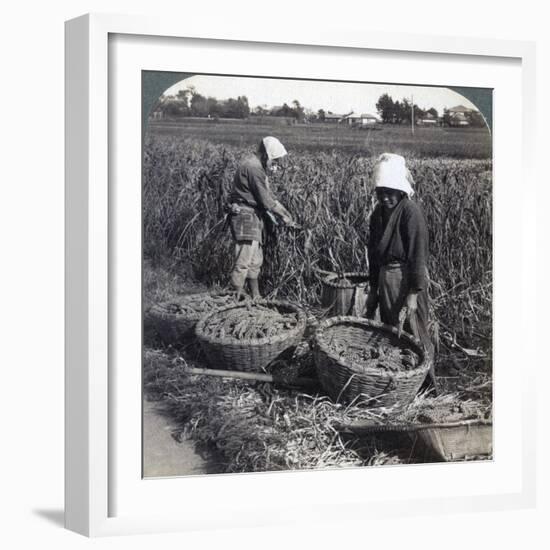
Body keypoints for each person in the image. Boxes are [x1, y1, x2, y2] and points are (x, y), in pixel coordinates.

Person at [365, 153, 438, 391]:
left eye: (390, 192)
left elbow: (418, 254)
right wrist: (374, 287)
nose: (385, 197)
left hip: (406, 278)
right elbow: (373, 254)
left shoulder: (409, 212)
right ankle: (401, 382)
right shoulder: (377, 214)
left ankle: (427, 384)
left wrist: (413, 293)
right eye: (380, 192)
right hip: (386, 277)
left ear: (400, 190)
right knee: (391, 330)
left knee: (414, 329)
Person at [226, 136, 296, 299]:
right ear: (266, 155)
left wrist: (286, 213)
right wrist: (284, 216)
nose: (275, 164)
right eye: (275, 160)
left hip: (252, 216)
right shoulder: (254, 168)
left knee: (255, 260)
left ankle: (256, 296)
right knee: (243, 259)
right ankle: (236, 299)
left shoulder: (255, 166)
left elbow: (268, 197)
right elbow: (265, 201)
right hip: (245, 215)